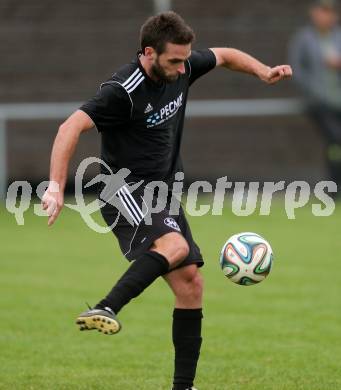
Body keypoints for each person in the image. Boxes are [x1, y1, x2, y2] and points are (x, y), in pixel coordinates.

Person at [42, 11, 292, 390]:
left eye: (184, 59)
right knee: (174, 246)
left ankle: (183, 387)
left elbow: (223, 55)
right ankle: (107, 306)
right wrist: (56, 186)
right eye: (173, 60)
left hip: (161, 192)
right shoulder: (122, 91)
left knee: (191, 284)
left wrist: (262, 71)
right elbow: (70, 126)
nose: (181, 68)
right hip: (122, 188)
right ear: (148, 53)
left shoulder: (183, 65)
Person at [289, 0, 341, 187]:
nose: (325, 16)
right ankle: (334, 185)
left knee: (335, 144)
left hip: (338, 101)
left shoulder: (338, 37)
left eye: (329, 12)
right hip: (319, 103)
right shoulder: (304, 38)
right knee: (335, 139)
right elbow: (297, 69)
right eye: (322, 11)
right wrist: (314, 92)